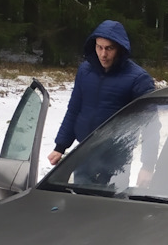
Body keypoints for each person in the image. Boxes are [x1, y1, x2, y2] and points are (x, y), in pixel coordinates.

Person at [48, 20, 155, 178]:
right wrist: (60, 147)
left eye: (109, 48)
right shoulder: (85, 71)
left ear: (120, 49)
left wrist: (148, 166)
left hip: (116, 158)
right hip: (85, 151)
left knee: (110, 202)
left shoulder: (138, 79)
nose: (103, 54)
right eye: (99, 47)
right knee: (81, 198)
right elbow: (74, 110)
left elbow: (151, 123)